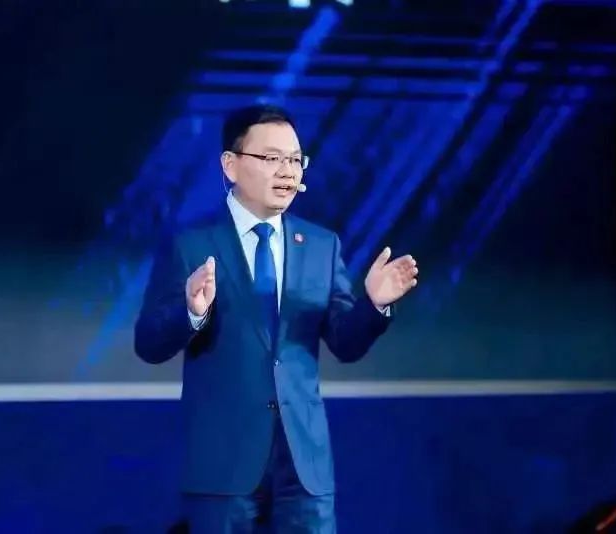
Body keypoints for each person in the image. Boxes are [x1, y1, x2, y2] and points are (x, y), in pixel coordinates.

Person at [134, 104, 418, 533]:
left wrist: (373, 306)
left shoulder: (321, 246)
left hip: (303, 469)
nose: (287, 171)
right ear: (230, 165)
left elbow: (346, 343)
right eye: (271, 158)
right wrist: (191, 313)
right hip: (222, 468)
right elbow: (148, 344)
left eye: (295, 159)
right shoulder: (190, 243)